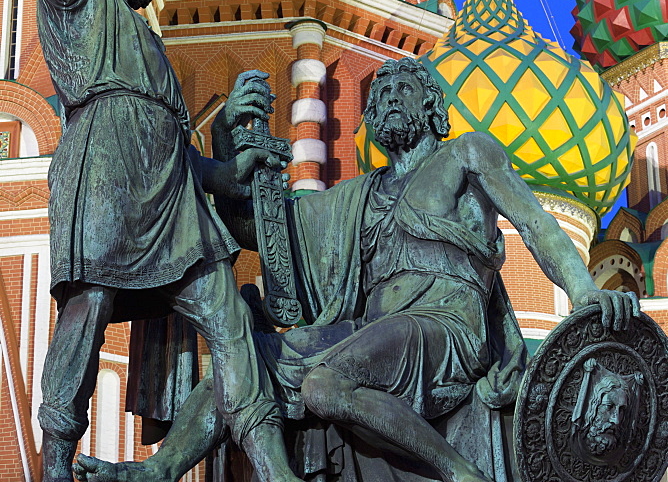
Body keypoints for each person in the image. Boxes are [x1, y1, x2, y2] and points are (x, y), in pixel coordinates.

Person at [75, 58, 639, 482]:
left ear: (431, 106)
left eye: (405, 88)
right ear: (368, 118)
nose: (391, 97)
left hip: (446, 325)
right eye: (382, 92)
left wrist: (586, 290)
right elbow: (263, 234)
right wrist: (229, 149)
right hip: (374, 331)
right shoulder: (358, 197)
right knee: (241, 357)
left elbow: (536, 223)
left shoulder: (466, 153)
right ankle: (159, 470)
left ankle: (458, 473)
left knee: (324, 384)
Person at [35, 0, 303, 482]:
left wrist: (229, 171)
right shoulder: (76, 0)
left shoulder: (152, 49)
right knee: (85, 316)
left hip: (172, 202)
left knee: (231, 322)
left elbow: (176, 154)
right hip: (104, 182)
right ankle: (56, 461)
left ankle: (271, 466)